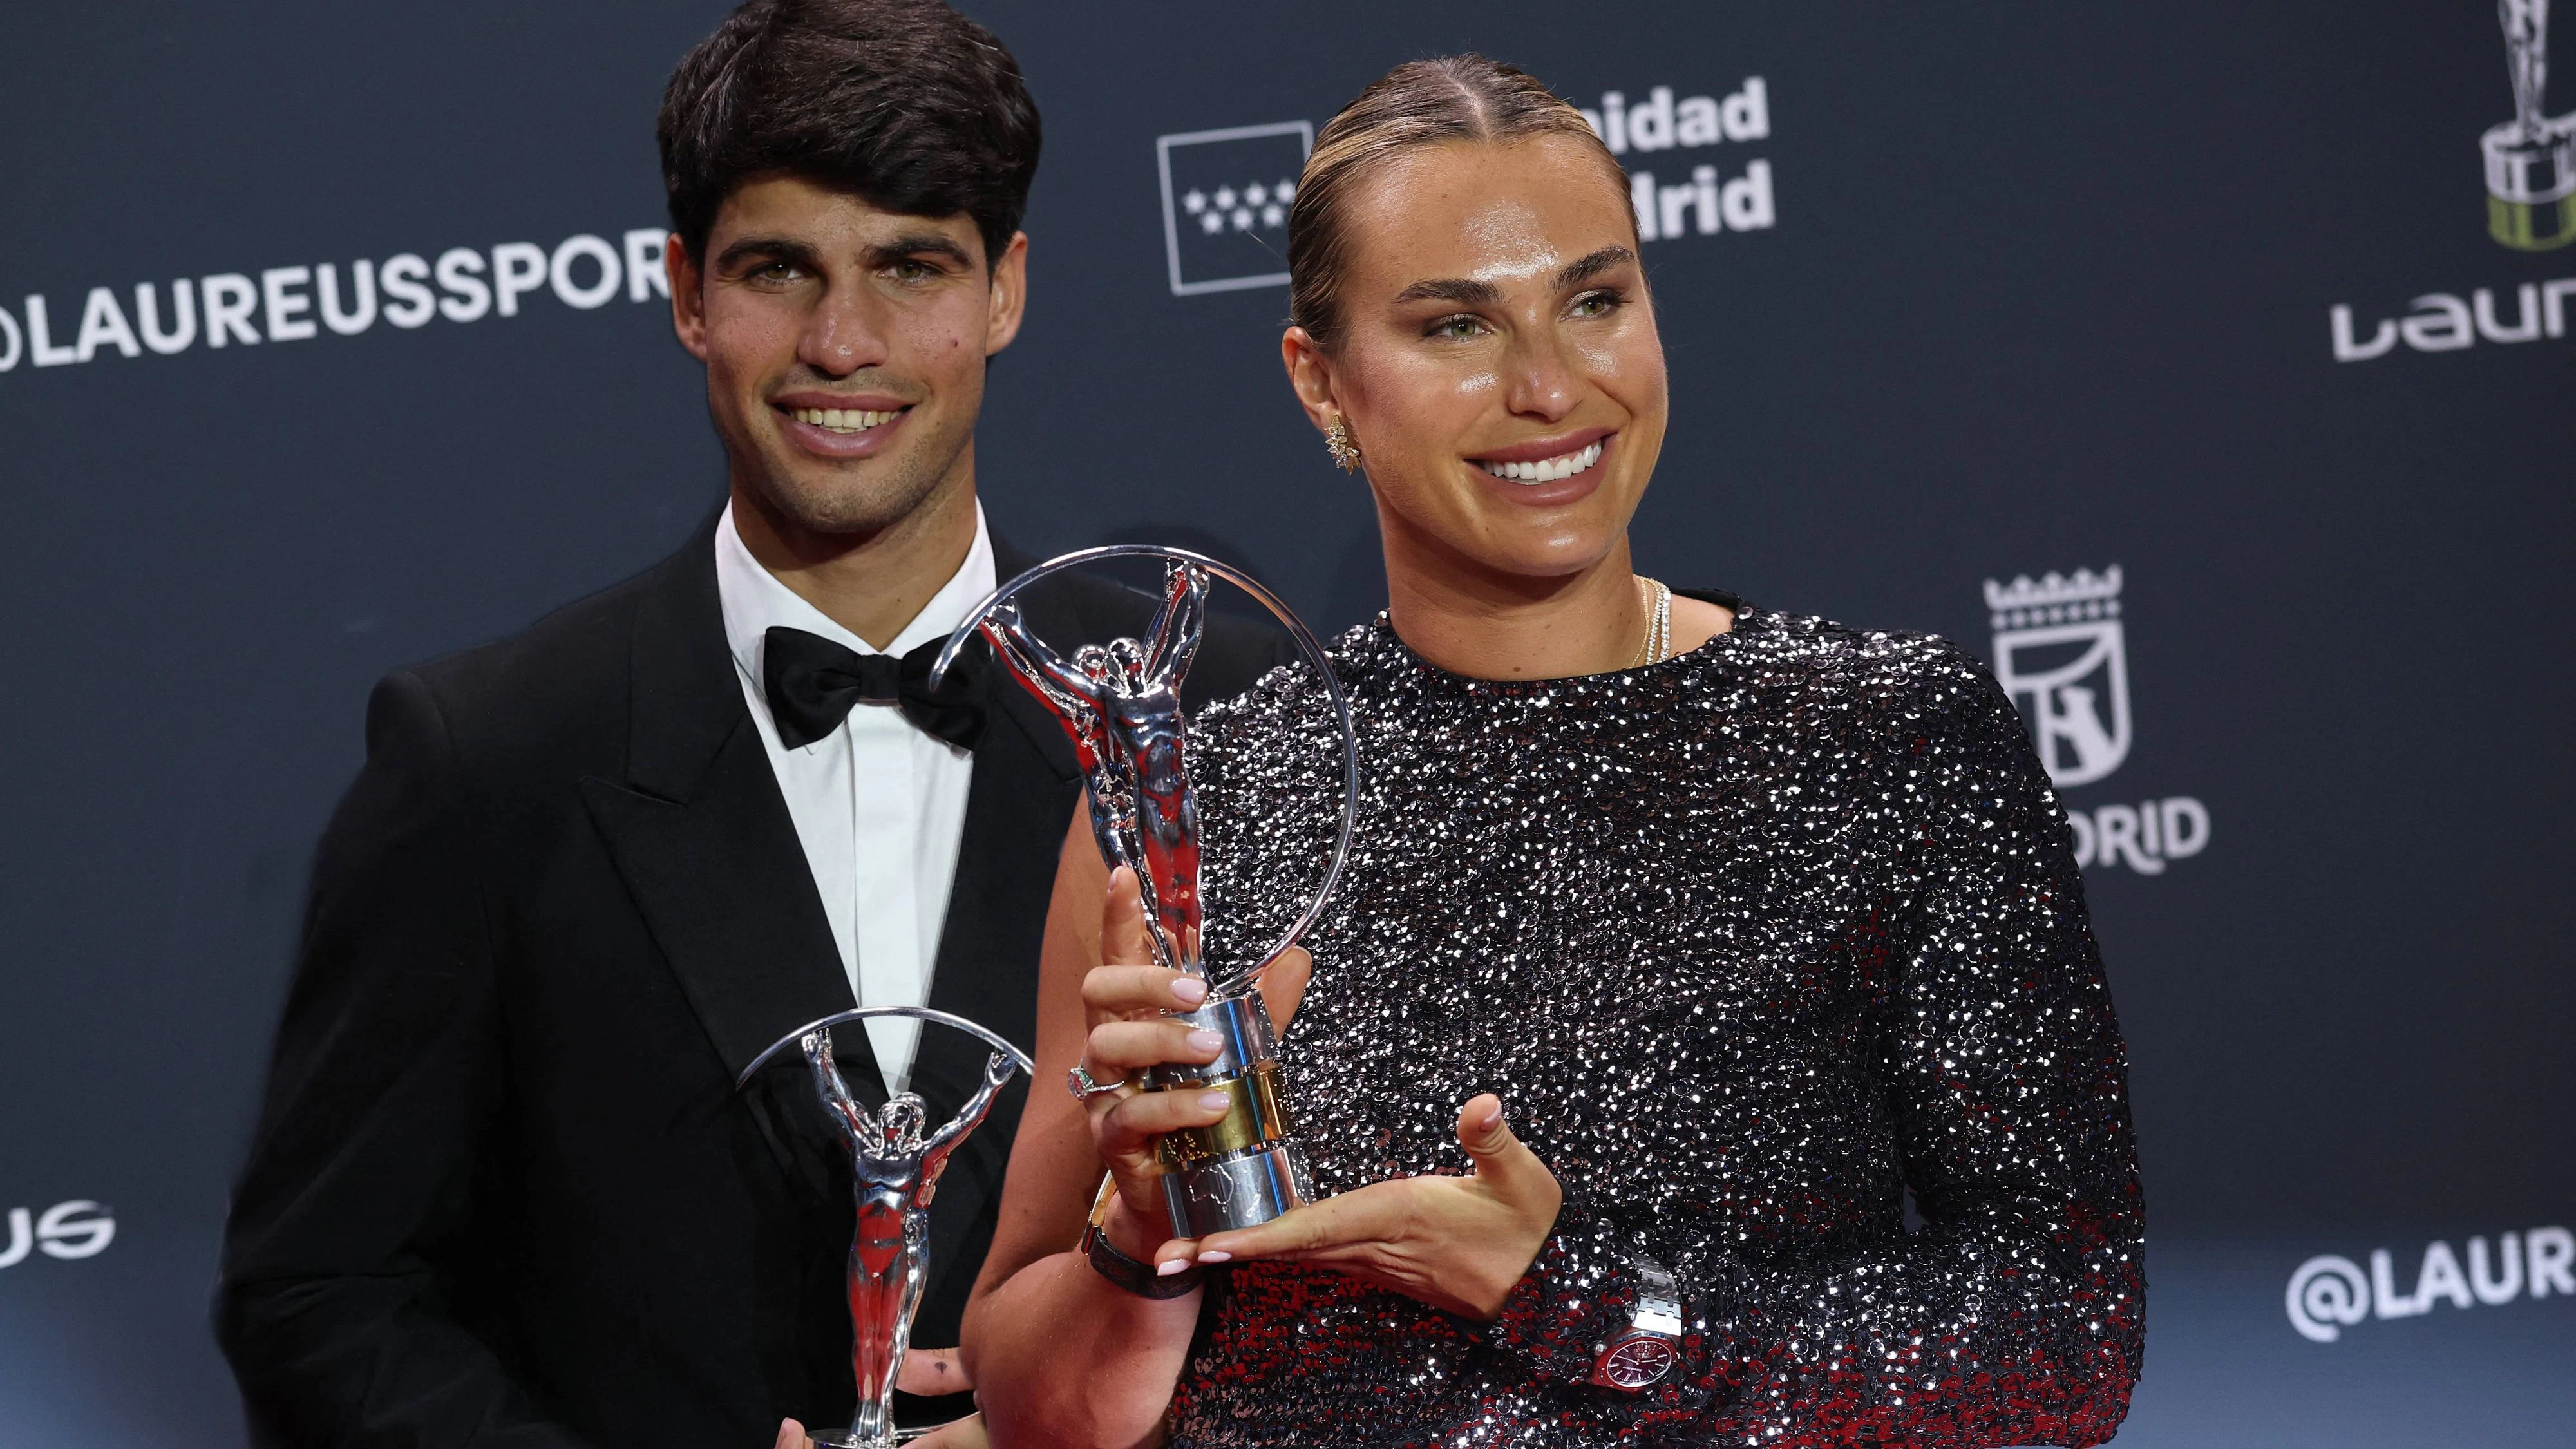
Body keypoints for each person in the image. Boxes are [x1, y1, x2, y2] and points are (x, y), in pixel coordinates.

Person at [961, 55, 2146, 1448]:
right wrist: (1140, 1228)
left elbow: (2062, 1342)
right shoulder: (1199, 803)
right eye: (1455, 328)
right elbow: (1031, 1402)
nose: (1547, 387)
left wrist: (1572, 1297)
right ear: (1320, 384)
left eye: (1594, 300)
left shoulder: (1886, 738)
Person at [212, 3, 1288, 1446]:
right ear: (685, 295)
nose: (841, 343)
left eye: (911, 269)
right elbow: (319, 1296)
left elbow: (1336, 1229)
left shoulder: (1204, 714)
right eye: (780, 271)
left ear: (1006, 291)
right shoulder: (491, 759)